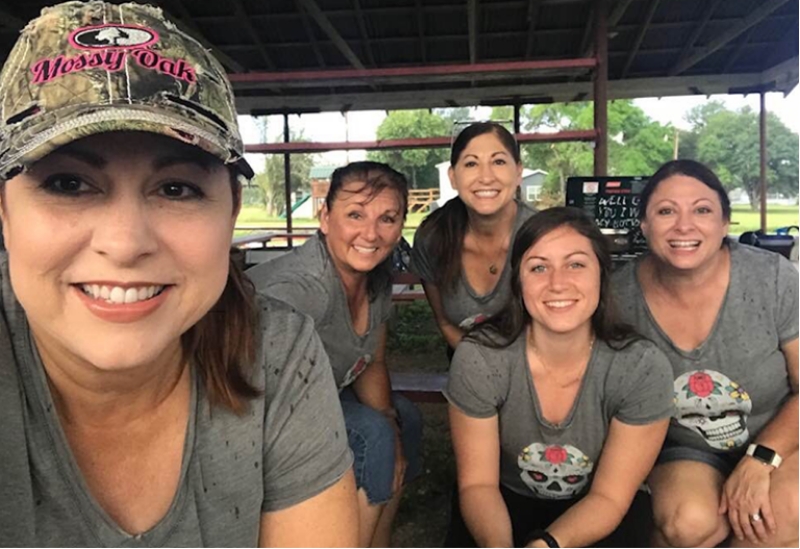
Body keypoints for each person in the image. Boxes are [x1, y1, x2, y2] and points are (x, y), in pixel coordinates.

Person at [0, 2, 357, 545]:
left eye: (176, 188)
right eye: (68, 184)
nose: (124, 244)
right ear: (3, 211)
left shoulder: (276, 354)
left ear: (231, 211)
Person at [445, 207, 674, 548]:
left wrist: (547, 545)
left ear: (602, 274)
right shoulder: (480, 358)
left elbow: (609, 497)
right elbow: (477, 485)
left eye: (576, 264)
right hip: (501, 503)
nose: (557, 283)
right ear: (518, 282)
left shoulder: (640, 367)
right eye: (539, 267)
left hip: (597, 510)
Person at [612, 159, 799, 548]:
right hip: (684, 448)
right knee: (689, 523)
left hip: (780, 436)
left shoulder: (771, 278)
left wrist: (762, 458)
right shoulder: (616, 296)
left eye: (702, 210)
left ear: (725, 223)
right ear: (644, 226)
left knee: (776, 516)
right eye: (666, 211)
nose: (684, 226)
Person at [247, 161, 423, 547]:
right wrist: (382, 435)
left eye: (387, 218)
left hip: (312, 394)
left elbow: (371, 361)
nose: (371, 233)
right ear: (325, 217)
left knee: (403, 420)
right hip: (257, 404)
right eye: (355, 215)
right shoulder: (302, 290)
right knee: (372, 437)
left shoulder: (373, 279)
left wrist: (392, 427)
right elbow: (253, 389)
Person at [411, 122, 536, 354]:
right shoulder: (434, 237)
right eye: (471, 163)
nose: (486, 177)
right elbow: (445, 323)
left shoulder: (544, 237)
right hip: (468, 365)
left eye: (498, 161)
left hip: (542, 371)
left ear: (518, 172)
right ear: (453, 177)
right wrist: (483, 370)